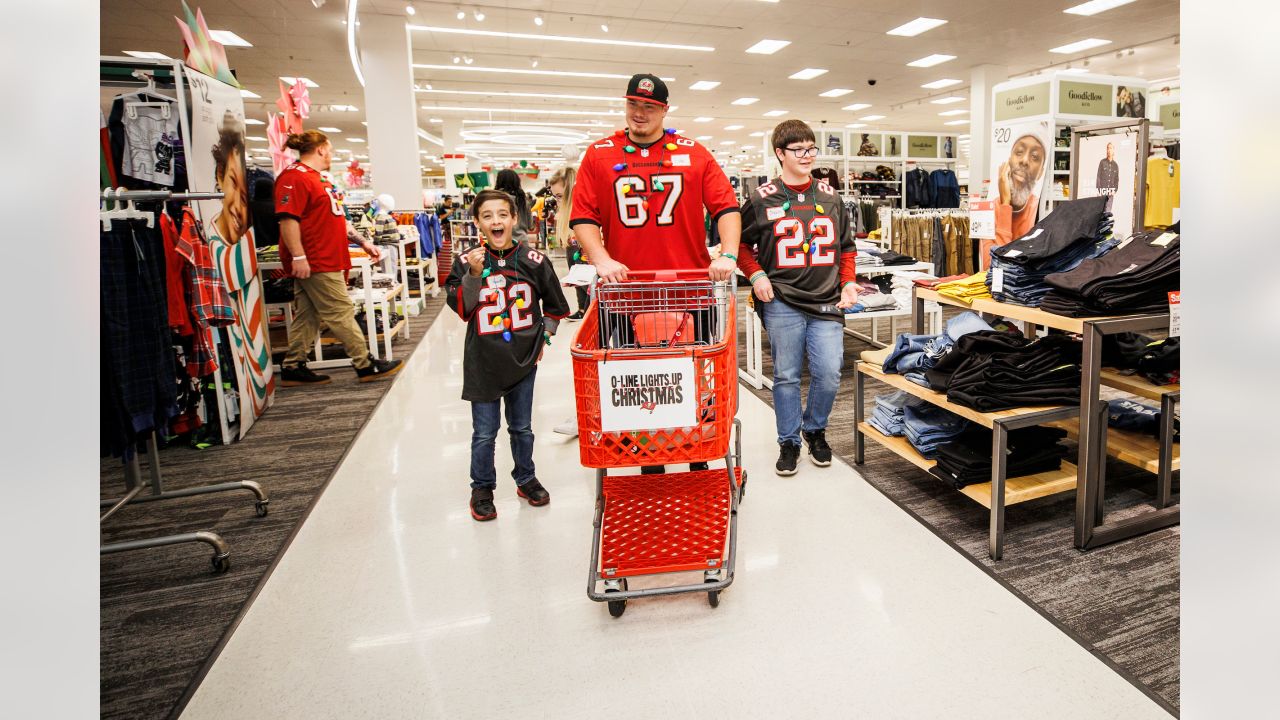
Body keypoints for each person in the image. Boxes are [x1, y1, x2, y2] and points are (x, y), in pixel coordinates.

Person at [571, 72, 742, 473]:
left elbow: (726, 208)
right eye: (633, 104)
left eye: (649, 107)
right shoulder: (599, 154)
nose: (640, 113)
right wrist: (600, 258)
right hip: (625, 293)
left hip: (692, 290)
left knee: (698, 381)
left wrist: (729, 255)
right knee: (641, 384)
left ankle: (699, 460)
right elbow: (582, 215)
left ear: (664, 110)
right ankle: (653, 464)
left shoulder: (694, 153)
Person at [737, 120, 860, 475]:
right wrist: (756, 273)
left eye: (811, 149)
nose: (807, 156)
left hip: (827, 300)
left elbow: (846, 248)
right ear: (780, 154)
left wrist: (849, 282)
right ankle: (788, 440)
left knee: (829, 373)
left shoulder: (830, 196)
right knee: (788, 375)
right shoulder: (761, 198)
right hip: (782, 300)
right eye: (798, 150)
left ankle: (815, 429)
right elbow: (741, 245)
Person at [445, 189, 571, 522]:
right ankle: (482, 488)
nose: (496, 221)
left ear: (514, 218)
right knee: (484, 432)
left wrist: (545, 335)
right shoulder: (464, 263)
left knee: (522, 428)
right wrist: (473, 276)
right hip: (483, 362)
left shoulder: (535, 261)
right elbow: (462, 308)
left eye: (503, 214)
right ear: (477, 223)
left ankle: (525, 477)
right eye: (487, 216)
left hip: (522, 361)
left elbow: (557, 306)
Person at [274, 129, 402, 386]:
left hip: (328, 257)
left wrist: (363, 242)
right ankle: (364, 364)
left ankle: (292, 365)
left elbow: (338, 219)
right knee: (341, 311)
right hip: (316, 258)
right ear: (321, 148)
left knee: (308, 314)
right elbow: (288, 219)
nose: (331, 154)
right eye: (330, 149)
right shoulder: (294, 178)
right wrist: (298, 256)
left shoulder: (320, 181)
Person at [985, 132, 1047, 267]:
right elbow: (996, 268)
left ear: (1041, 172)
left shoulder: (1042, 213)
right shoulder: (990, 210)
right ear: (1008, 162)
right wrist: (1005, 203)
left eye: (1035, 157)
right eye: (1019, 152)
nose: (1024, 161)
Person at [210, 112, 249, 245]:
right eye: (233, 182)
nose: (238, 206)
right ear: (220, 175)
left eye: (244, 198)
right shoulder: (207, 241)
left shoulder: (244, 247)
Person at [494, 169, 534, 244]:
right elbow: (530, 225)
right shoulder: (524, 201)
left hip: (501, 241)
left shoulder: (495, 200)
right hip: (522, 242)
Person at [1095, 142, 1120, 212]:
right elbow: (1098, 177)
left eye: (1111, 148)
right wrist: (1099, 190)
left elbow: (1116, 180)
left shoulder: (1115, 165)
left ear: (1113, 150)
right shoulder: (1102, 162)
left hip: (1110, 194)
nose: (1109, 150)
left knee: (1108, 213)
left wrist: (1114, 190)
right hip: (1102, 192)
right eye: (1108, 148)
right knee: (1100, 212)